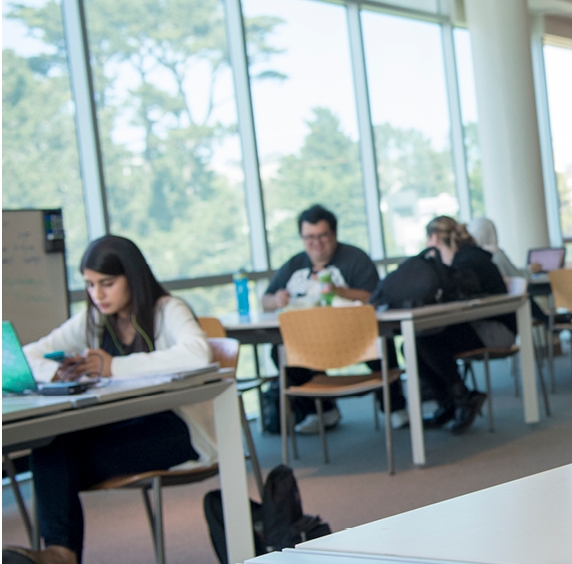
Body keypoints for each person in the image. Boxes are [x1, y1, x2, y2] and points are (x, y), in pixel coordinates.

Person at [12, 237, 214, 564]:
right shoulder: (93, 319)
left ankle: (60, 555)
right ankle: (60, 553)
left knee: (54, 465)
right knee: (49, 447)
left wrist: (113, 366)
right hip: (121, 425)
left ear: (132, 277)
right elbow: (29, 353)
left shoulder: (166, 309)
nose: (98, 295)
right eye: (90, 285)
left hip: (177, 429)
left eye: (107, 283)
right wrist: (55, 372)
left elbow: (197, 353)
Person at [262, 204, 395, 433]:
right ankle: (321, 410)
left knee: (383, 343)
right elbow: (265, 300)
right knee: (279, 351)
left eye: (322, 236)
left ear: (333, 234)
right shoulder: (295, 264)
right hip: (310, 339)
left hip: (354, 334)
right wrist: (277, 299)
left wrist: (338, 291)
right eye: (309, 237)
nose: (316, 243)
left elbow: (375, 295)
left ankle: (394, 406)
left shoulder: (355, 258)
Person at [413, 216, 513, 433]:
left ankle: (461, 398)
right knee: (414, 344)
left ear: (434, 239)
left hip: (495, 330)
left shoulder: (469, 261)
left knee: (426, 342)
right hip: (473, 325)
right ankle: (450, 402)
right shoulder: (457, 260)